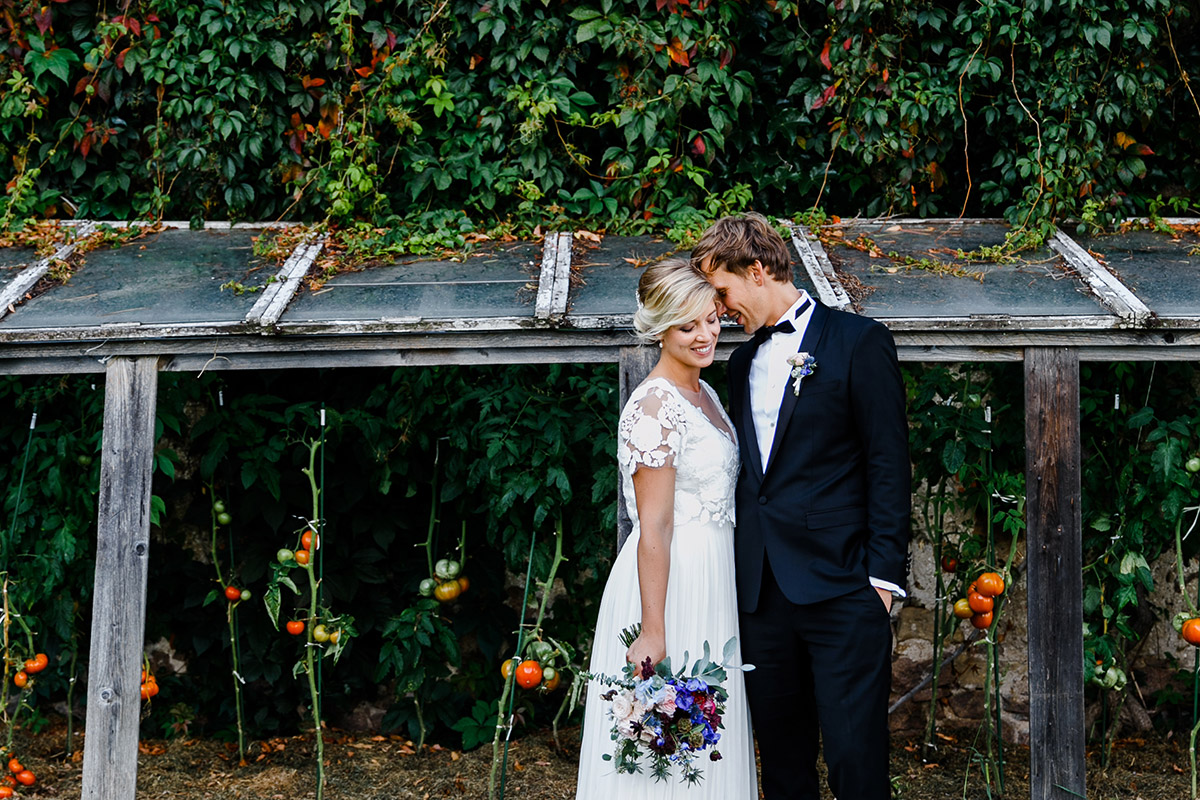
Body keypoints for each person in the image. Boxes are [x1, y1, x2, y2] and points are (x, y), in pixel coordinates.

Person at [691, 213, 911, 800]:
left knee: (855, 763)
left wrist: (883, 581)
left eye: (722, 292)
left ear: (757, 270)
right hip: (762, 601)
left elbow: (888, 463)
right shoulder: (738, 364)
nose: (719, 310)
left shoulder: (859, 342)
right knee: (783, 768)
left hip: (843, 590)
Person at [575, 258, 757, 799]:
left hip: (715, 578)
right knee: (668, 748)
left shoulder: (705, 395)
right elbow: (651, 523)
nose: (705, 335)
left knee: (707, 741)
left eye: (710, 319)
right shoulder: (654, 405)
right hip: (671, 587)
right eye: (687, 326)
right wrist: (653, 629)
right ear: (658, 329)